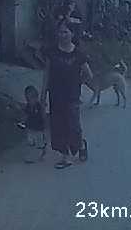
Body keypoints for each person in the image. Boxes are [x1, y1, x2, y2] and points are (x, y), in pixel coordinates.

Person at [43, 22, 92, 169]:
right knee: (58, 125)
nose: (62, 35)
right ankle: (65, 156)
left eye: (66, 32)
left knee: (73, 125)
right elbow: (46, 74)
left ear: (72, 34)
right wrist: (43, 93)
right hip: (55, 95)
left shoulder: (78, 54)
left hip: (72, 96)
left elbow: (88, 75)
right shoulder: (51, 52)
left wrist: (77, 83)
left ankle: (80, 144)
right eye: (60, 32)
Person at [19, 85, 47, 163]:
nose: (31, 100)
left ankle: (42, 151)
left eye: (32, 98)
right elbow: (25, 115)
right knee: (30, 141)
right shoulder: (27, 107)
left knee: (39, 142)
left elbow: (43, 115)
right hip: (30, 127)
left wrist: (45, 125)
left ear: (36, 97)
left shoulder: (39, 106)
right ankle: (31, 155)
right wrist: (23, 121)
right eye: (28, 98)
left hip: (39, 128)